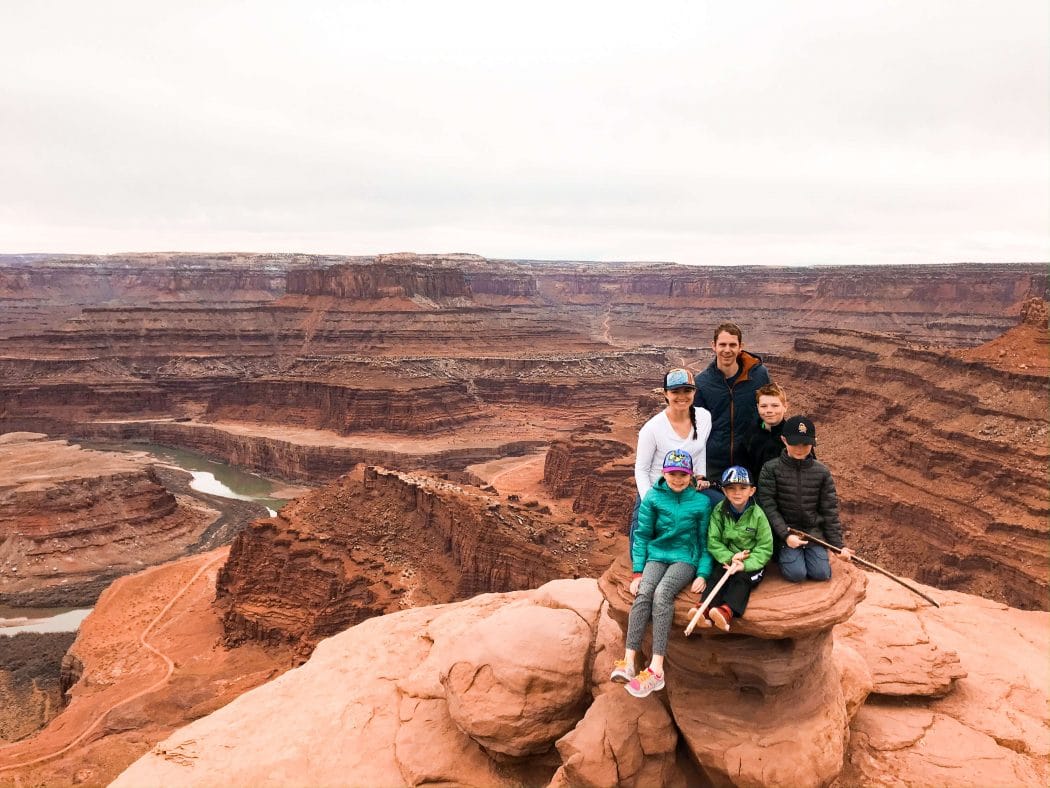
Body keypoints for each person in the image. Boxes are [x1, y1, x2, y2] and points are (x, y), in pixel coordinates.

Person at [611, 449, 713, 698]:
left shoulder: (701, 502)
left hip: (684, 559)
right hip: (657, 555)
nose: (677, 479)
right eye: (672, 474)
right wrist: (637, 573)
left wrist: (702, 573)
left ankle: (656, 670)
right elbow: (642, 536)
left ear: (691, 475)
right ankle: (628, 661)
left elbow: (705, 541)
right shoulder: (653, 498)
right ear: (664, 473)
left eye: (682, 474)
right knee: (644, 593)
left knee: (662, 593)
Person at [756, 416, 853, 582]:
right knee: (797, 574)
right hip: (787, 533)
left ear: (813, 442)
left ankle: (815, 553)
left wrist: (838, 546)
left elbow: (829, 510)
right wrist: (785, 536)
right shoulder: (770, 468)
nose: (800, 449)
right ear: (784, 440)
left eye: (805, 444)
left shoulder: (822, 472)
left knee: (821, 574)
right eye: (794, 443)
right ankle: (782, 553)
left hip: (813, 534)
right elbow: (768, 506)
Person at [629, 368, 713, 550]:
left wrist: (700, 476)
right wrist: (650, 502)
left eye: (687, 390)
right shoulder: (652, 429)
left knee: (721, 510)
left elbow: (700, 449)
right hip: (656, 491)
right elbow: (641, 470)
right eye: (675, 391)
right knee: (638, 548)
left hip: (687, 488)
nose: (681, 396)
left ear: (694, 392)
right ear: (665, 394)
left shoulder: (704, 417)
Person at [692, 465, 773, 632]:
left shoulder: (758, 515)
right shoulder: (719, 511)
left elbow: (765, 547)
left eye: (743, 488)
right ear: (724, 491)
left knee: (742, 579)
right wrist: (730, 557)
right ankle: (704, 608)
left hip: (749, 562)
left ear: (752, 491)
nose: (737, 493)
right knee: (717, 574)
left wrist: (746, 564)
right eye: (731, 488)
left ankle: (727, 611)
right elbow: (713, 541)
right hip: (729, 559)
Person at [692, 322, 772, 485]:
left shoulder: (759, 376)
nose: (727, 350)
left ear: (740, 346)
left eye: (732, 345)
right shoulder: (701, 383)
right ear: (713, 346)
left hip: (751, 462)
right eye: (722, 344)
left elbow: (770, 410)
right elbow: (696, 428)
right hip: (714, 466)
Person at [742, 383, 791, 480]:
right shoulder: (751, 434)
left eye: (775, 406)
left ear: (785, 407)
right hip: (756, 492)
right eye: (763, 406)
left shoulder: (793, 435)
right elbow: (743, 466)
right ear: (757, 407)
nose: (769, 410)